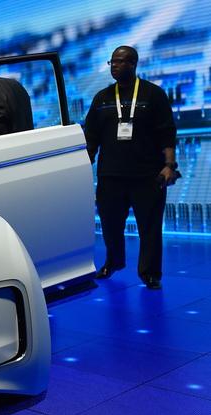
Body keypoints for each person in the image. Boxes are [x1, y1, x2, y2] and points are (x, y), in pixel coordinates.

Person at [84, 46, 178, 290]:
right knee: (110, 224)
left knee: (150, 227)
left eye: (120, 61)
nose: (114, 66)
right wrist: (85, 164)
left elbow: (167, 132)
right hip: (111, 175)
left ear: (133, 63)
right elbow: (91, 136)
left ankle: (150, 273)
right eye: (112, 62)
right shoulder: (102, 98)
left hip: (148, 175)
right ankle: (114, 261)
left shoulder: (153, 94)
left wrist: (169, 165)